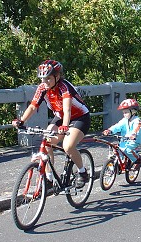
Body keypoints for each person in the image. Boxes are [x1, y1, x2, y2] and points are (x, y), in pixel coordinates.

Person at [12, 59, 91, 188]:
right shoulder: (42, 88)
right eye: (42, 79)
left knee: (68, 146)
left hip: (80, 117)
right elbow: (32, 106)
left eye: (48, 78)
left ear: (57, 76)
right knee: (47, 141)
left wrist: (64, 126)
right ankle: (49, 178)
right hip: (60, 116)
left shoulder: (64, 87)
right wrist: (21, 120)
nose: (45, 82)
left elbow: (67, 109)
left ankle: (82, 172)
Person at [102, 98, 141, 167]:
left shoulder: (137, 120)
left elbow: (138, 128)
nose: (124, 114)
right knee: (116, 149)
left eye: (126, 112)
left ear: (133, 111)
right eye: (123, 113)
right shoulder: (124, 120)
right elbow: (117, 126)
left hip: (134, 141)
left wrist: (134, 134)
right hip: (124, 141)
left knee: (128, 150)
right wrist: (109, 130)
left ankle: (138, 160)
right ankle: (118, 163)